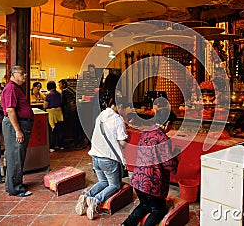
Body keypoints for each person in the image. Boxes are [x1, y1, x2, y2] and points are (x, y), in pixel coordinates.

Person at [75, 92, 128, 220]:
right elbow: (122, 143)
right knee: (114, 185)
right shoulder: (117, 119)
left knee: (103, 182)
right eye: (125, 108)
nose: (126, 110)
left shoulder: (101, 115)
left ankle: (86, 196)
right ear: (119, 106)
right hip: (108, 159)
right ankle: (95, 200)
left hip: (95, 157)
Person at [121, 108, 179, 226]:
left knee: (144, 205)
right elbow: (169, 166)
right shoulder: (163, 139)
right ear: (167, 123)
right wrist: (176, 157)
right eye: (171, 125)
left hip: (138, 181)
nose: (170, 128)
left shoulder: (146, 132)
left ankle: (126, 224)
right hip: (153, 184)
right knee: (158, 210)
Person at [1, 66, 33, 197]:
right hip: (16, 125)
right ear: (13, 74)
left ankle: (12, 185)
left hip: (19, 124)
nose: (24, 75)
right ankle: (16, 189)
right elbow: (10, 110)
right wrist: (18, 130)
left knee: (15, 156)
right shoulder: (11, 89)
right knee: (15, 157)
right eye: (22, 73)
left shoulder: (15, 88)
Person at [58, 79, 84, 147]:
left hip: (70, 110)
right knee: (76, 125)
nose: (59, 86)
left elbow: (62, 102)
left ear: (63, 85)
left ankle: (76, 141)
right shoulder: (70, 89)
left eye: (60, 85)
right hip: (76, 109)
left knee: (73, 126)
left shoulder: (64, 91)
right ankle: (79, 141)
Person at [43, 81, 64, 152]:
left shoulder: (48, 95)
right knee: (60, 129)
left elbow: (45, 105)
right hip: (59, 112)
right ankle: (61, 145)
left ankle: (52, 146)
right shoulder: (59, 94)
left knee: (52, 130)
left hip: (51, 114)